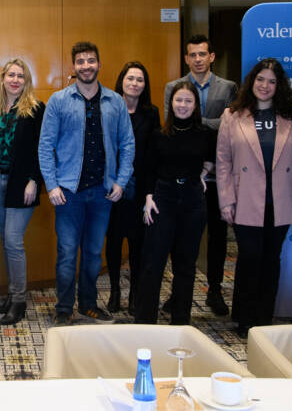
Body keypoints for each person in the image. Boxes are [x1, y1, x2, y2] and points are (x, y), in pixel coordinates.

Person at [38, 41, 134, 326]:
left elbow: (127, 144)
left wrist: (121, 180)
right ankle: (64, 307)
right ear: (73, 67)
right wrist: (51, 185)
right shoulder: (59, 101)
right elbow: (45, 145)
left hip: (102, 192)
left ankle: (89, 304)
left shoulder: (115, 101)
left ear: (99, 65)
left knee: (93, 254)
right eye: (80, 61)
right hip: (68, 193)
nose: (86, 66)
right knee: (67, 253)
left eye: (91, 60)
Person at [216, 58, 292, 337]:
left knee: (271, 260)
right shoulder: (232, 115)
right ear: (251, 82)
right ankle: (244, 319)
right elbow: (223, 161)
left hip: (281, 200)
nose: (265, 86)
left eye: (271, 81)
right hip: (245, 200)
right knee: (249, 257)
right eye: (260, 79)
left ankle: (263, 319)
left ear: (279, 86)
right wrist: (226, 200)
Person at [163, 34, 237, 316]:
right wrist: (208, 124)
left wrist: (194, 121)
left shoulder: (228, 87)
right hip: (185, 175)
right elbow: (173, 122)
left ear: (212, 56)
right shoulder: (174, 87)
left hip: (217, 174)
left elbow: (230, 124)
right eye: (192, 55)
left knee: (217, 237)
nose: (197, 59)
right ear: (186, 58)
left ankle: (215, 290)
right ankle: (178, 293)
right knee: (180, 238)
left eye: (202, 54)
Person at [135, 81, 216, 325]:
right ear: (171, 103)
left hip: (192, 200)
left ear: (195, 105)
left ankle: (180, 321)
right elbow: (148, 169)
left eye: (188, 101)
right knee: (153, 262)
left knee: (185, 265)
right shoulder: (159, 134)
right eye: (178, 100)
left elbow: (212, 159)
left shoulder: (205, 133)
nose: (183, 105)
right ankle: (145, 321)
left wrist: (201, 176)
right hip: (163, 198)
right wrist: (148, 198)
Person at [0, 58, 45, 326]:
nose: (15, 80)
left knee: (14, 241)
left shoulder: (36, 109)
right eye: (11, 75)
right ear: (3, 78)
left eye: (21, 76)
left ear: (26, 81)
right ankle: (12, 293)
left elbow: (42, 147)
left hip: (21, 183)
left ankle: (19, 300)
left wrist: (34, 181)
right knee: (7, 241)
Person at [104, 61, 160, 315]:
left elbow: (153, 152)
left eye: (139, 79)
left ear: (144, 85)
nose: (134, 83)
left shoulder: (151, 113)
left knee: (138, 243)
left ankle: (135, 293)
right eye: (130, 79)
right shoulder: (110, 109)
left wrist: (150, 190)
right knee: (114, 241)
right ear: (121, 82)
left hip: (140, 186)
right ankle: (115, 290)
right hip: (113, 185)